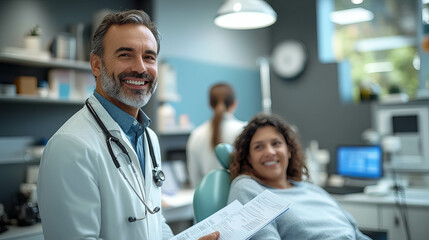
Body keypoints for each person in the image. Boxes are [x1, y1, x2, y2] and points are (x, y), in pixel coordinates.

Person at [37, 9, 218, 240]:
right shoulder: (69, 146)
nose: (141, 68)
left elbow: (153, 218)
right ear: (96, 64)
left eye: (150, 57)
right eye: (125, 55)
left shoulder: (148, 138)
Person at [227, 113, 371, 240]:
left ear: (288, 151)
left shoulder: (312, 190)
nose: (270, 151)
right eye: (259, 147)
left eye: (276, 143)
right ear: (248, 158)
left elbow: (356, 234)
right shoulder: (247, 188)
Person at [187, 83, 246, 187]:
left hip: (207, 200)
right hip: (239, 198)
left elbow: (194, 179)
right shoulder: (244, 130)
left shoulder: (196, 134)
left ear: (210, 104)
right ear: (235, 103)